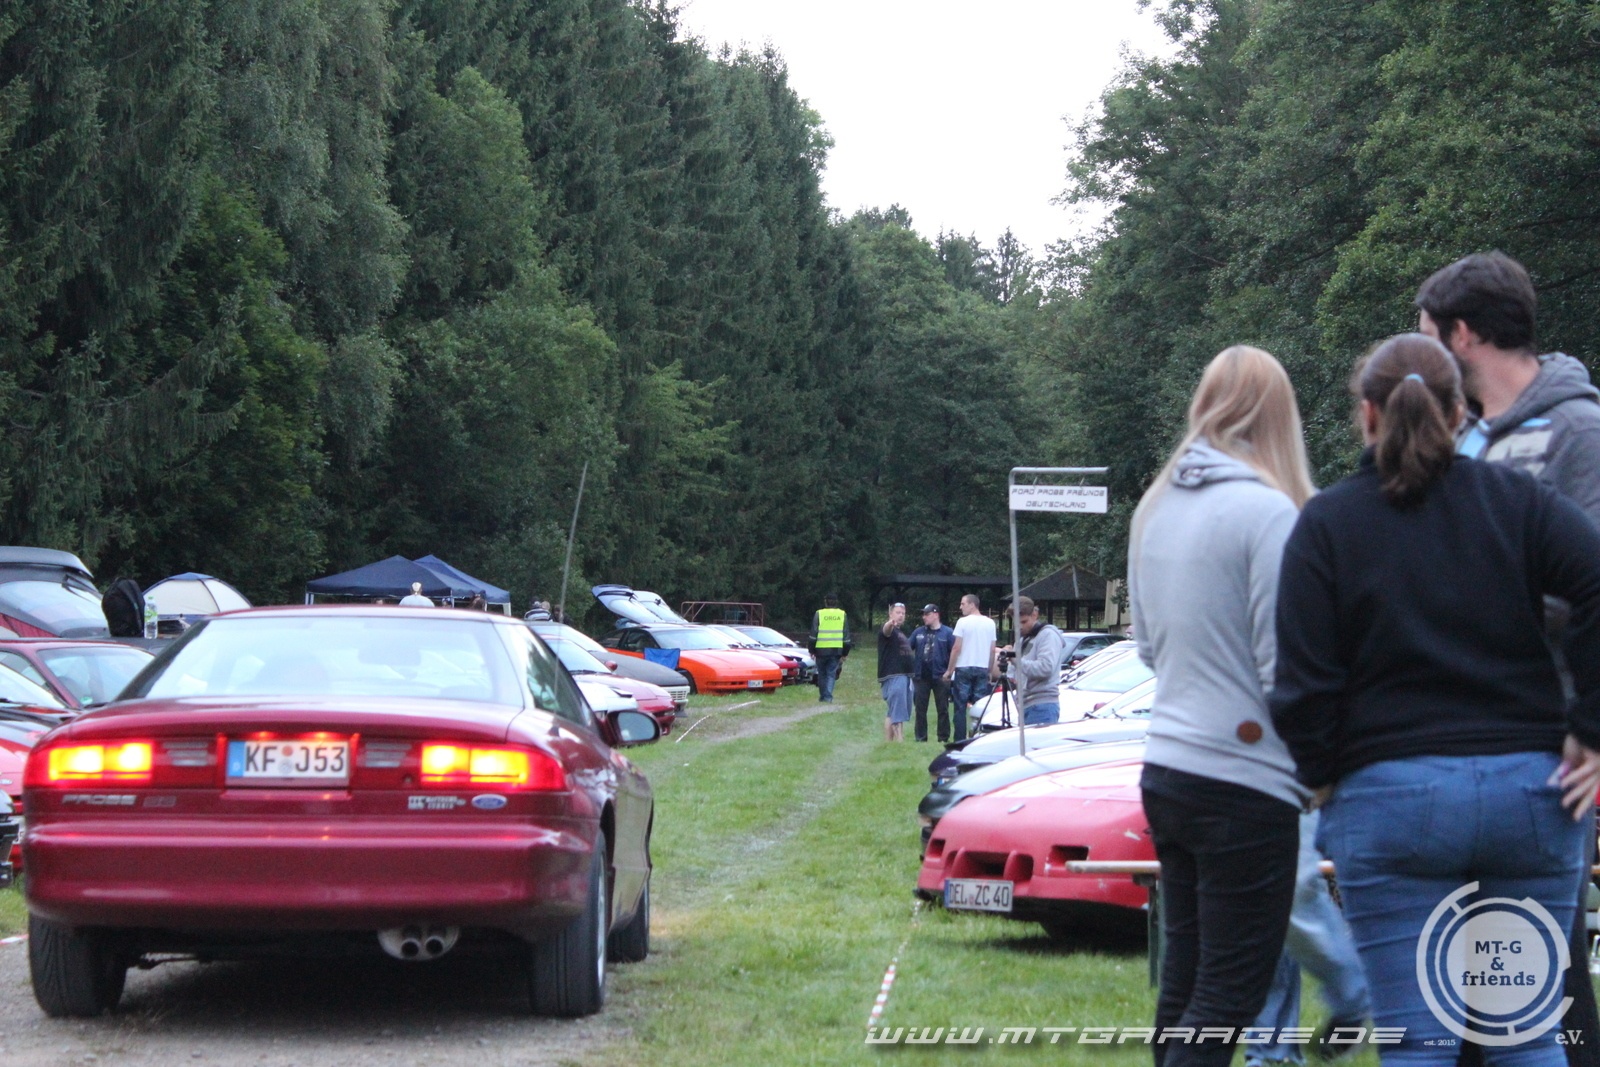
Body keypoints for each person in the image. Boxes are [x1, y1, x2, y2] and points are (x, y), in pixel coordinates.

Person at [1271, 333, 1600, 1067]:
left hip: (1390, 799)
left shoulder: (1328, 524)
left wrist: (1322, 774)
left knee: (1417, 1042)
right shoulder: (1520, 503)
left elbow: (1302, 677)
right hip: (1530, 792)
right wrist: (1590, 726)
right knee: (1528, 1034)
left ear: (1367, 414)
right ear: (1461, 414)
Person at [1417, 252, 1600, 1067]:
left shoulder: (1578, 431)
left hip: (1545, 739)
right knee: (1462, 978)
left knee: (1539, 976)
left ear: (1462, 334)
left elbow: (1590, 582)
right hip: (1459, 738)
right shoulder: (1466, 438)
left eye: (1428, 336)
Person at [1127, 344, 1316, 1067]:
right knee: (1230, 992)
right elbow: (1284, 666)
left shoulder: (1155, 508)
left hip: (1167, 767)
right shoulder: (1269, 513)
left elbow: (1147, 648)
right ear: (1278, 416)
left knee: (1184, 985)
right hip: (1245, 779)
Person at [996, 596, 1065, 726]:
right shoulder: (1022, 640)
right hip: (1025, 705)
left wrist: (1016, 660)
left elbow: (1045, 669)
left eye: (1024, 622)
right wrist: (1003, 662)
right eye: (1017, 623)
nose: (1020, 627)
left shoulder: (1048, 635)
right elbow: (1014, 673)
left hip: (1043, 705)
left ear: (1035, 615)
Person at [943, 594, 998, 745]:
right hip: (982, 668)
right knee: (980, 706)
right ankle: (978, 738)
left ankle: (960, 740)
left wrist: (949, 670)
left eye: (963, 604)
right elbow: (992, 649)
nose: (960, 607)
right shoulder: (990, 623)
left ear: (972, 604)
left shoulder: (962, 622)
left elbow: (956, 647)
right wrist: (989, 670)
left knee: (960, 707)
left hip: (964, 667)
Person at [908, 604, 956, 742]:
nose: (924, 617)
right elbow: (906, 648)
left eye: (927, 614)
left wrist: (950, 671)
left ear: (936, 615)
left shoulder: (947, 633)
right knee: (920, 709)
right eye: (923, 614)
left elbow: (955, 653)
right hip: (921, 676)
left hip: (941, 675)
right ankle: (920, 737)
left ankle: (943, 737)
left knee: (943, 708)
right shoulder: (918, 632)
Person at [877, 603, 913, 742]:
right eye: (898, 612)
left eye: (903, 613)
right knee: (897, 711)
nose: (901, 615)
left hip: (904, 675)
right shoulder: (889, 631)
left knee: (893, 711)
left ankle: (888, 743)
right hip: (893, 675)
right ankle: (900, 741)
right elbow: (886, 630)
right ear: (890, 614)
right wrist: (890, 624)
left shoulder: (900, 633)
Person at [808, 594, 851, 703]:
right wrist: (845, 653)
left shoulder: (819, 614)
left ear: (825, 601)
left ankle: (824, 696)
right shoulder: (842, 614)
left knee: (822, 674)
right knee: (831, 674)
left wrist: (811, 650)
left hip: (820, 649)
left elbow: (813, 634)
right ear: (836, 602)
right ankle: (827, 697)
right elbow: (846, 637)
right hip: (836, 650)